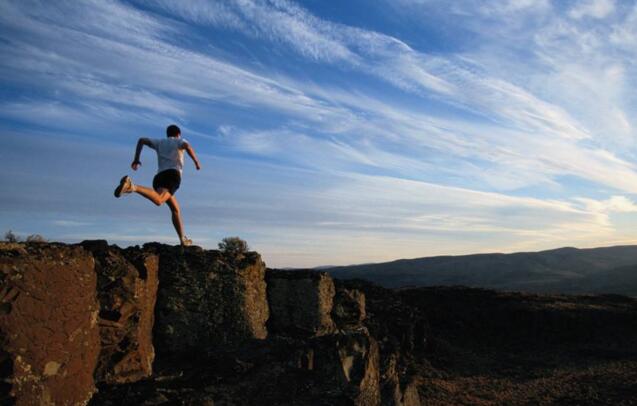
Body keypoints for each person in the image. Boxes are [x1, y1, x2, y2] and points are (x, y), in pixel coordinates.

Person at [114, 124, 201, 246]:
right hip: (172, 175)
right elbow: (187, 146)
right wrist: (196, 162)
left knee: (175, 209)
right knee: (159, 200)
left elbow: (141, 140)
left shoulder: (160, 142)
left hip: (159, 177)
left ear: (167, 134)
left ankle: (182, 239)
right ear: (178, 134)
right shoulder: (179, 141)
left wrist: (136, 159)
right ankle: (132, 186)